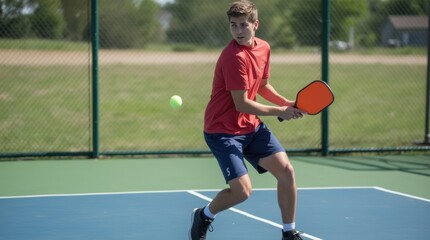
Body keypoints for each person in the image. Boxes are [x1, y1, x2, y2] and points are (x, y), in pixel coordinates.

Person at [189, 1, 304, 240]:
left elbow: (262, 85)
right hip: (222, 131)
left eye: (243, 25)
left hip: (251, 127)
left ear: (255, 25)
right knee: (242, 192)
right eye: (233, 26)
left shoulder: (264, 48)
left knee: (286, 171)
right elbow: (242, 103)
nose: (238, 31)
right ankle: (204, 215)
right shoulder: (234, 57)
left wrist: (287, 103)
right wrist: (280, 112)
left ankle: (289, 232)